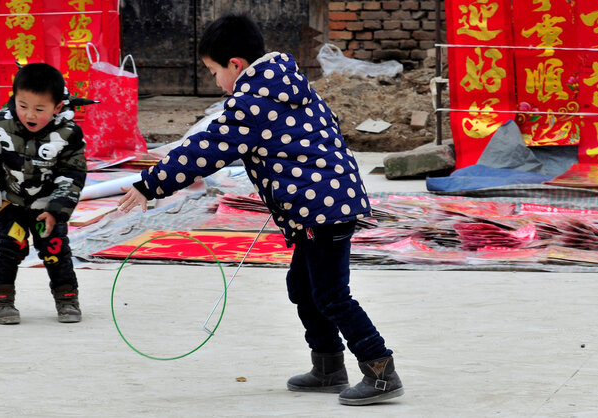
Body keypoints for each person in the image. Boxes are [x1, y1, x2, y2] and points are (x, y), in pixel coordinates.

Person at [118, 15, 403, 406]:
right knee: (303, 287)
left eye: (215, 72)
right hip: (319, 206)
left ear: (236, 64)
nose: (216, 81)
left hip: (323, 209)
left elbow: (209, 148)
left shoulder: (253, 102)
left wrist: (150, 183)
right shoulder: (286, 85)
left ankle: (380, 370)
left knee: (332, 294)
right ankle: (328, 366)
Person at [0, 63, 87, 325]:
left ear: (57, 107)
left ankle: (67, 297)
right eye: (23, 106)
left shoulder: (68, 133)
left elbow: (72, 174)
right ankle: (1, 300)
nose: (29, 115)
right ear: (14, 98)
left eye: (39, 109)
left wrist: (57, 209)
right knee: (10, 248)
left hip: (47, 207)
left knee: (55, 249)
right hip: (9, 204)